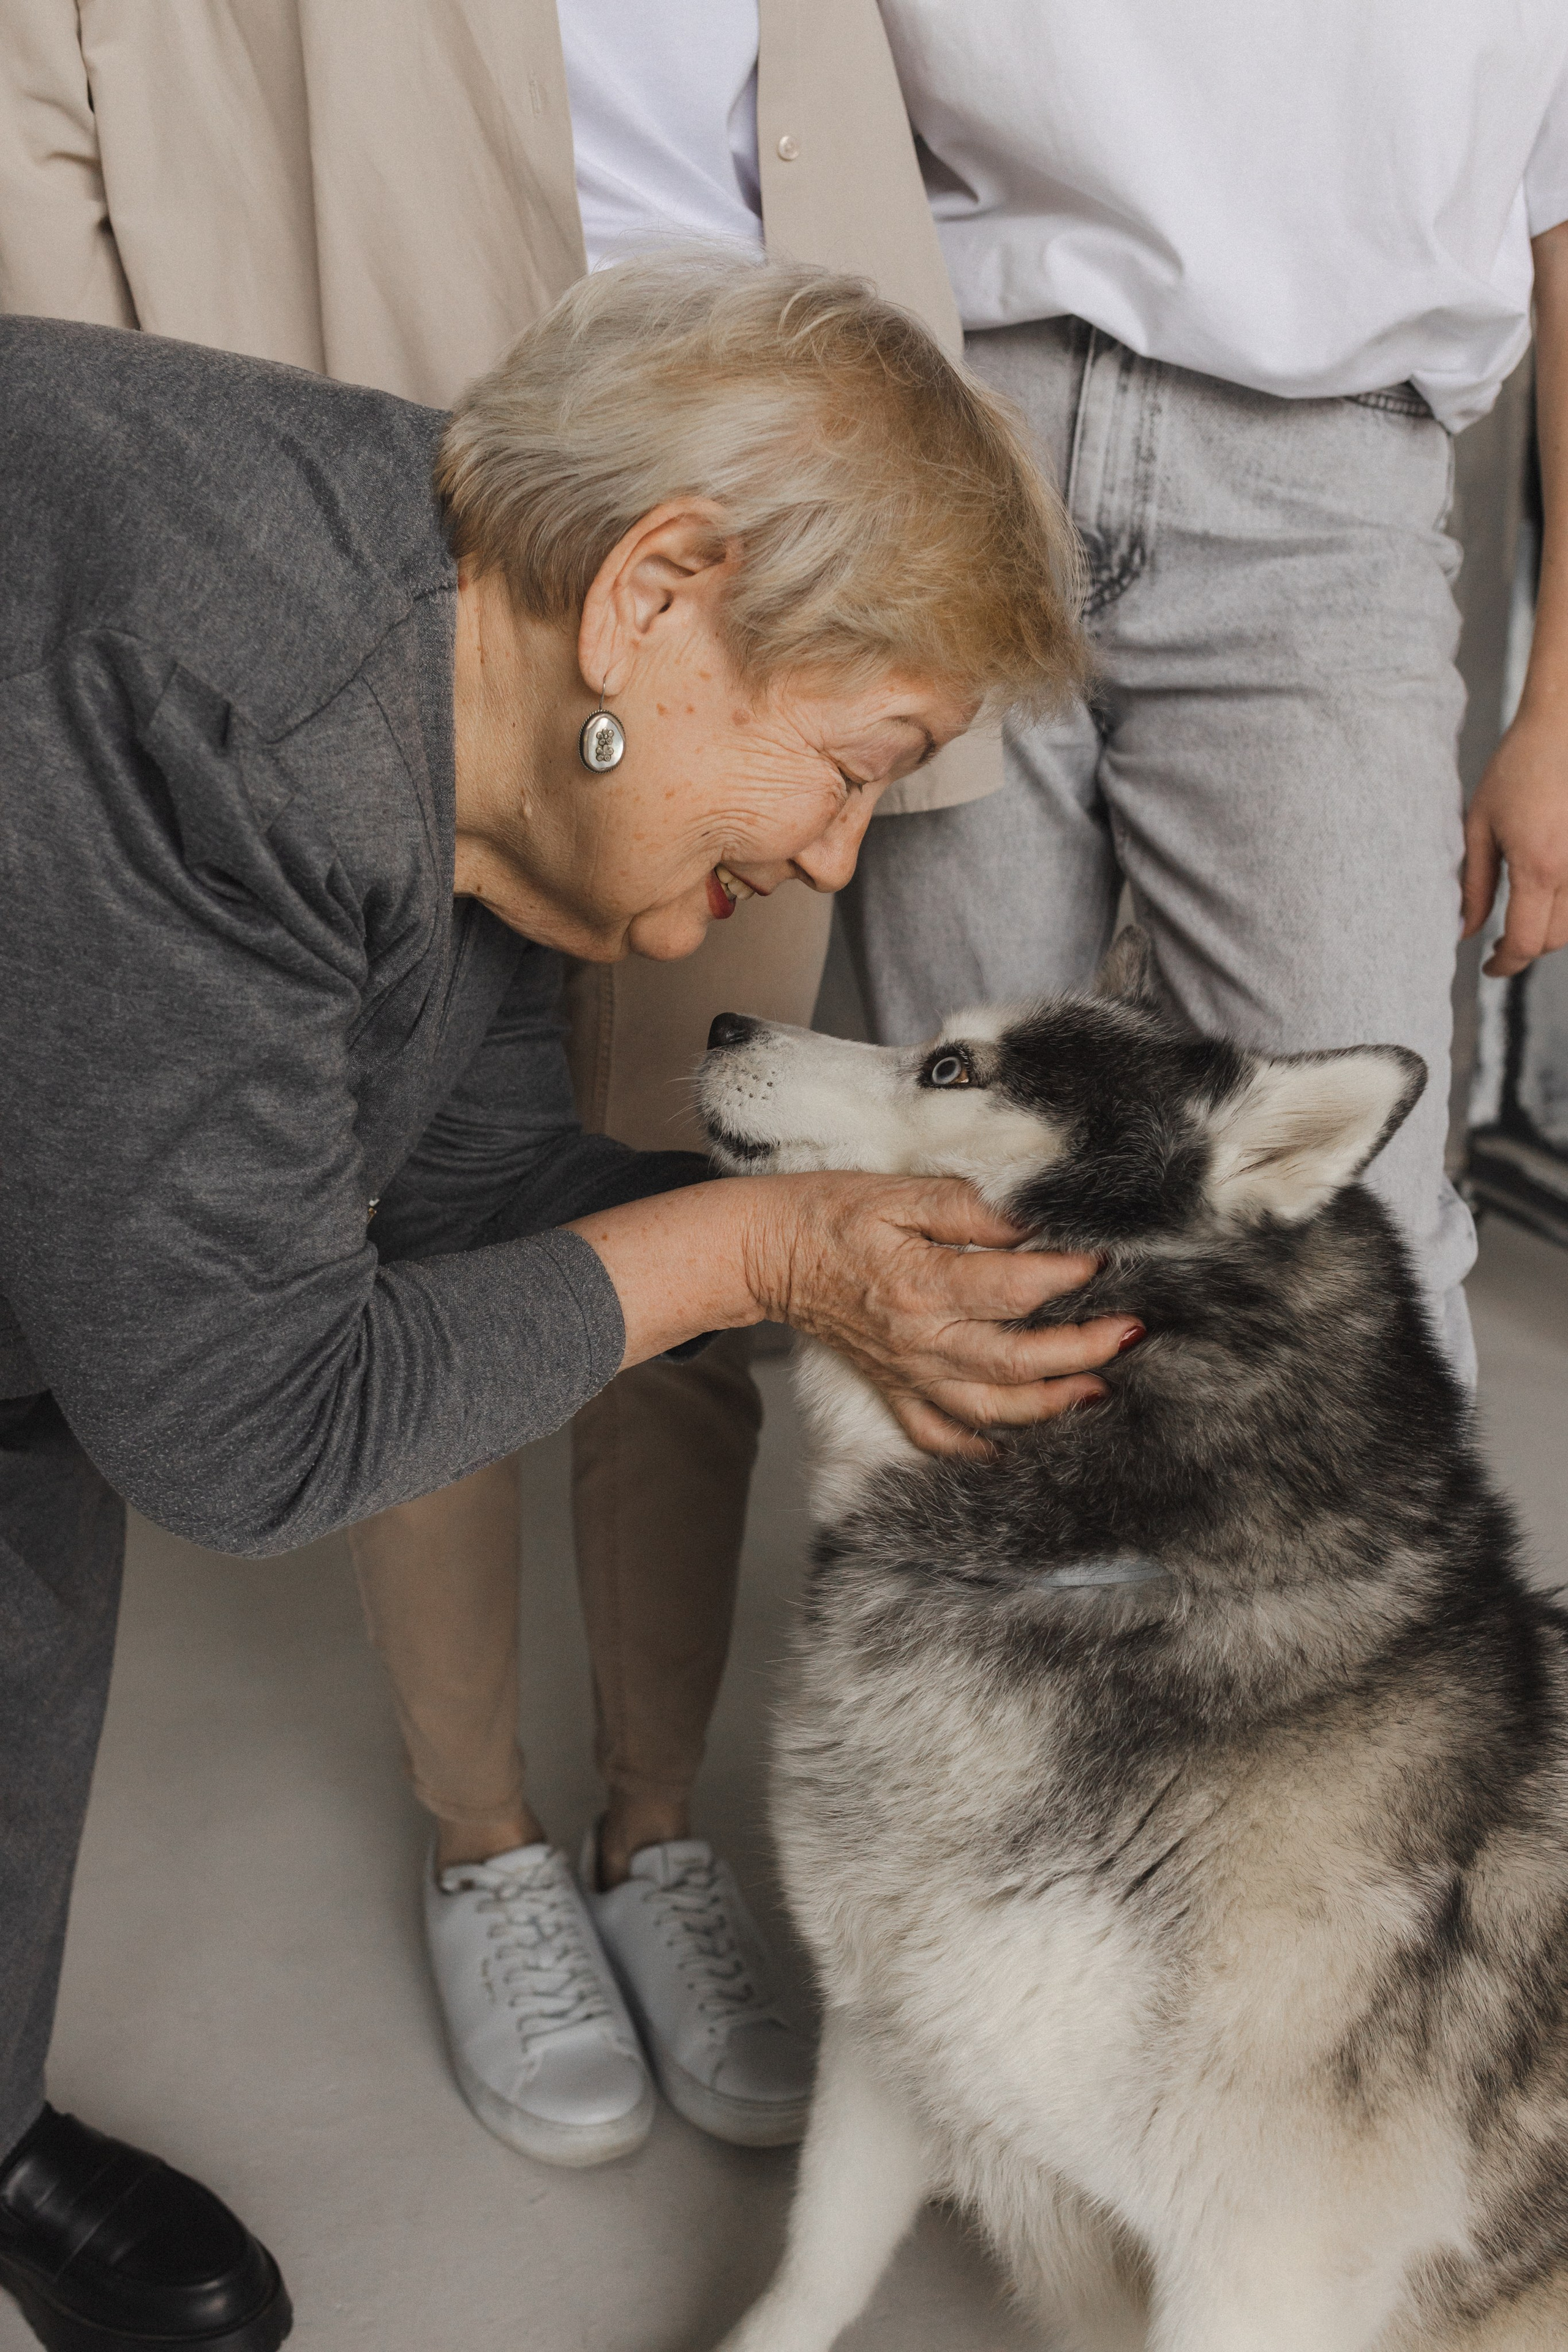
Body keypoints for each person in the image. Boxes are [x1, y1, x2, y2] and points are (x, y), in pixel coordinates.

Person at [0, 255, 1126, 2352]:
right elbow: (245, 1429)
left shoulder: (502, 739)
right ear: (660, 593)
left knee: (15, 1624)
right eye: (852, 759)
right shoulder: (225, 709)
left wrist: (868, 1296)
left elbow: (479, 1208)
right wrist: (774, 1248)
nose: (830, 856)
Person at [850, 2, 1568, 1387]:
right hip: (951, 416)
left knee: (1350, 1248)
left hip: (1324, 484)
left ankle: (1340, 1619)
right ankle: (1005, 1613)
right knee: (960, 1220)